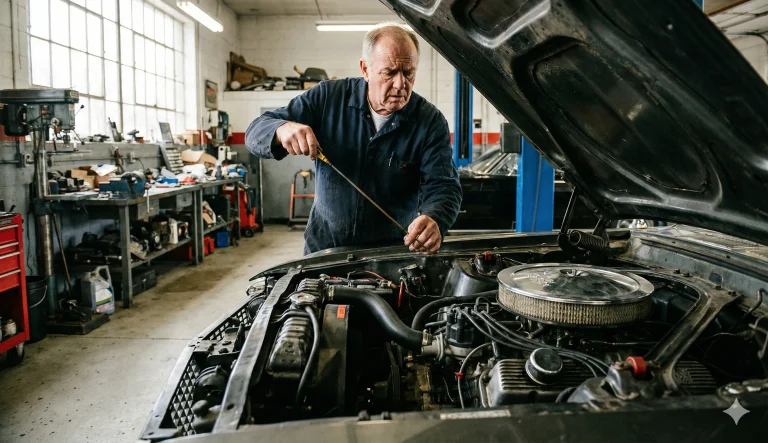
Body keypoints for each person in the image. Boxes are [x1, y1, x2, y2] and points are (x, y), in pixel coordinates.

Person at [245, 22, 462, 255]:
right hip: (325, 249)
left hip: (390, 253)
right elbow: (255, 131)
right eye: (389, 72)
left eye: (408, 73)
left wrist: (435, 218)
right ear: (365, 69)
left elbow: (444, 186)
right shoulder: (327, 98)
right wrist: (281, 129)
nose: (401, 84)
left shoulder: (429, 122)